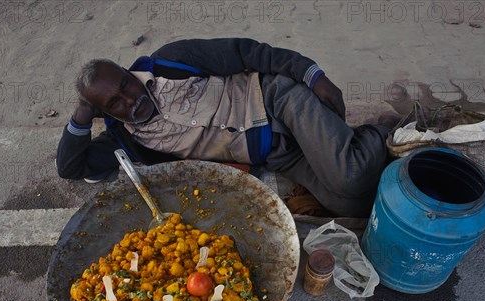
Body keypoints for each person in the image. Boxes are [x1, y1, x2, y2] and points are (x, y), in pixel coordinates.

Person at [56, 37, 394, 217]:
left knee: (349, 176)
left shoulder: (170, 61)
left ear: (128, 72)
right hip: (277, 154)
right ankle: (358, 152)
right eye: (114, 103)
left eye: (125, 84)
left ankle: (381, 133)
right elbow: (71, 167)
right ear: (105, 113)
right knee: (354, 206)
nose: (131, 99)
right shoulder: (125, 141)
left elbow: (248, 52)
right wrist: (84, 112)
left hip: (279, 100)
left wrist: (312, 75)